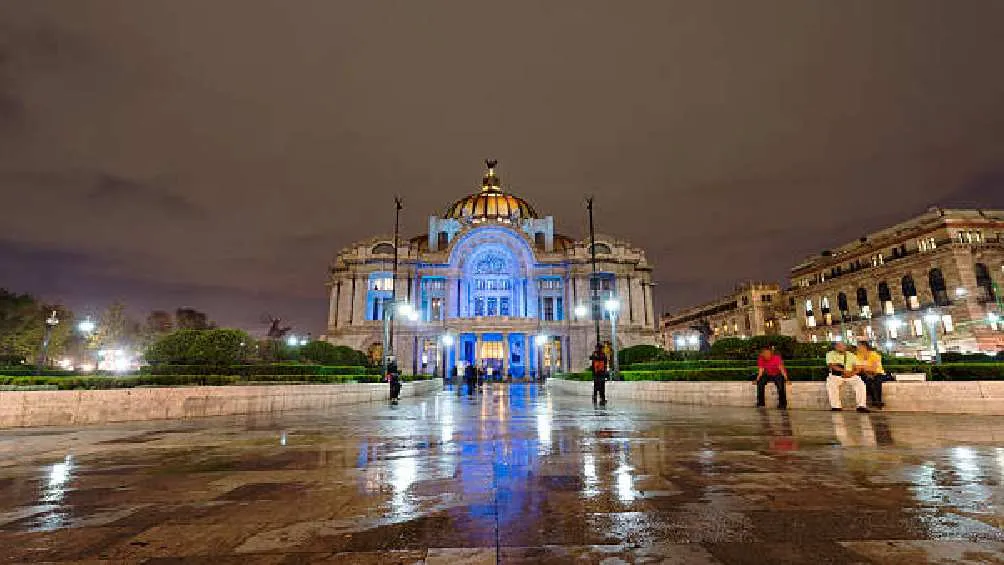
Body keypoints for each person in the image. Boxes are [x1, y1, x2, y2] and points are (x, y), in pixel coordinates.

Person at [825, 341, 869, 412]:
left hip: (850, 375)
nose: (840, 347)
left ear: (845, 347)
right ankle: (836, 406)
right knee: (831, 384)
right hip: (836, 375)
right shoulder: (830, 354)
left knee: (860, 384)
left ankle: (861, 406)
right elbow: (832, 365)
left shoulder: (851, 355)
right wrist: (844, 371)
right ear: (835, 347)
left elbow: (858, 368)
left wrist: (851, 374)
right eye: (838, 346)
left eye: (842, 346)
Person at [855, 341, 887, 408]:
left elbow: (874, 368)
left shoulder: (874, 355)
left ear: (864, 347)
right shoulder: (858, 355)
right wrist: (866, 369)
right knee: (867, 380)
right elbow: (857, 367)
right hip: (865, 373)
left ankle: (877, 401)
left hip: (878, 373)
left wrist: (863, 367)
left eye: (859, 346)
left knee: (877, 381)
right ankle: (875, 401)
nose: (857, 348)